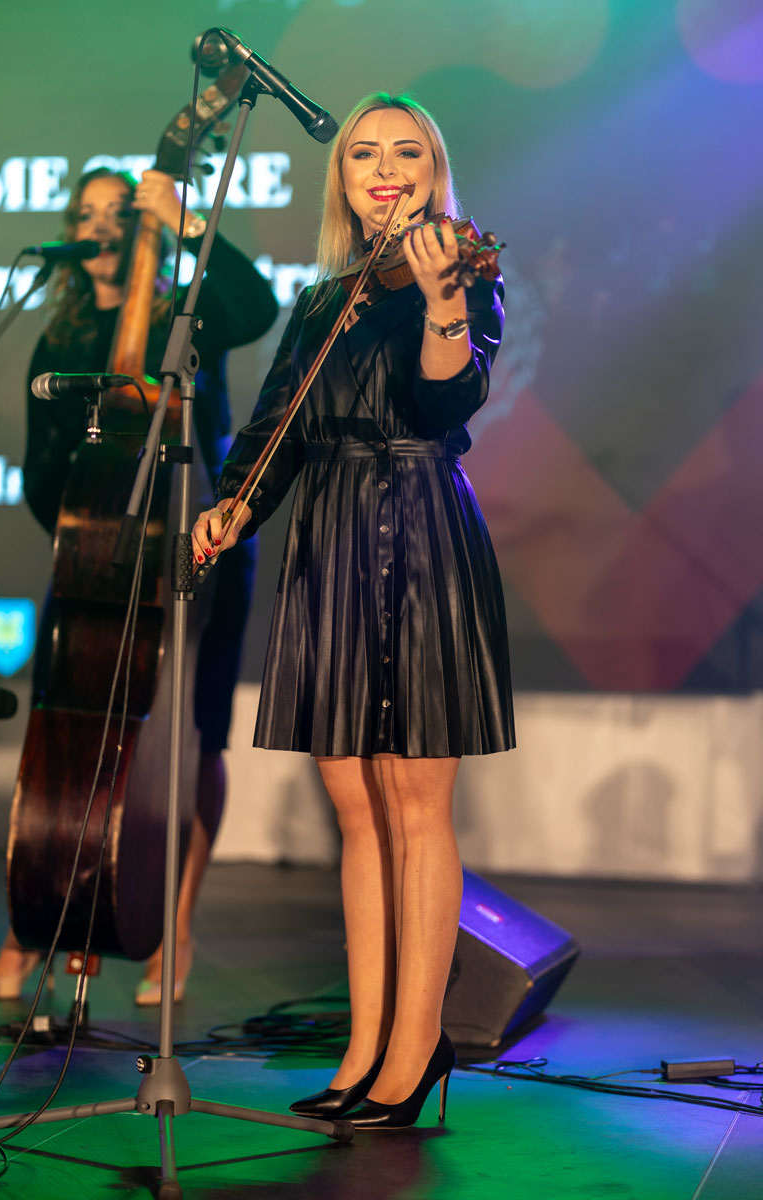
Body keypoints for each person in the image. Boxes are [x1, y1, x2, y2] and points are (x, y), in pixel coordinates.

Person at [191, 93, 515, 1129]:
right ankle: (363, 1045)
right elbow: (275, 426)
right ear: (342, 178)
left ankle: (415, 1050)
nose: (383, 168)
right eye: (363, 153)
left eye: (404, 152)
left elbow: (444, 401)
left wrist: (442, 299)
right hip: (328, 538)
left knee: (415, 806)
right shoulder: (321, 298)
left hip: (419, 525)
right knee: (355, 808)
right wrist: (235, 506)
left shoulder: (463, 274)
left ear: (432, 170)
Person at [0, 165, 278, 1006]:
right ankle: (32, 929)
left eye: (120, 212)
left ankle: (173, 928)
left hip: (198, 554)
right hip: (94, 562)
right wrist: (89, 521)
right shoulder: (61, 340)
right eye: (89, 213)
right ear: (73, 231)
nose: (103, 225)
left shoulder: (191, 314)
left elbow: (259, 308)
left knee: (196, 735)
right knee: (63, 735)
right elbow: (39, 468)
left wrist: (182, 221)